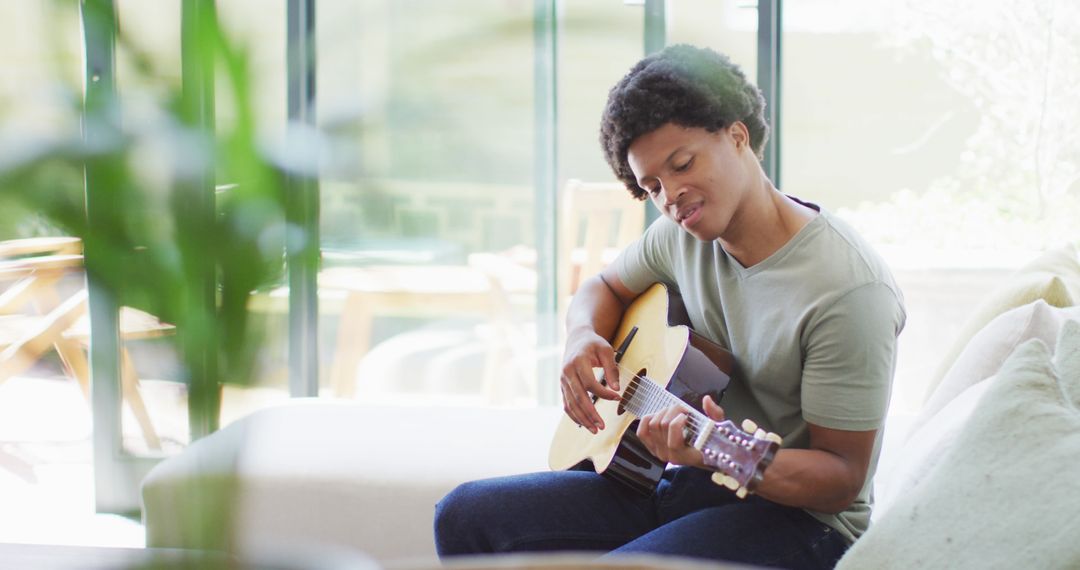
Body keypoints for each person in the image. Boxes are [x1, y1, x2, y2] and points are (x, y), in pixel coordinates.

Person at [434, 44, 905, 569]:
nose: (671, 195)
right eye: (652, 185)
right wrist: (581, 335)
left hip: (800, 521)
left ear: (737, 135)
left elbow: (841, 479)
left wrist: (712, 449)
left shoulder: (847, 289)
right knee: (464, 516)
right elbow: (605, 287)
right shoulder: (679, 238)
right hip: (685, 478)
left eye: (682, 164)